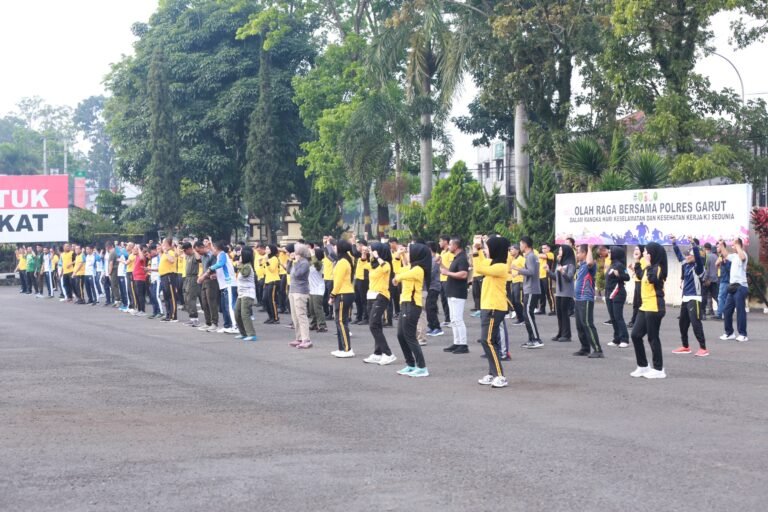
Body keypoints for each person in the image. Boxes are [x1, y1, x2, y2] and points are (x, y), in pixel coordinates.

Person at [474, 236, 511, 388]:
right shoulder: (493, 263)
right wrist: (479, 248)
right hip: (488, 306)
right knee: (491, 341)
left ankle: (500, 376)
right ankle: (492, 373)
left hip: (494, 307)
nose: (486, 251)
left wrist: (476, 252)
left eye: (488, 248)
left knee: (487, 340)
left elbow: (479, 268)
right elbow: (483, 263)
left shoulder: (501, 266)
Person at [630, 242, 668, 379]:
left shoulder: (657, 268)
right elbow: (640, 275)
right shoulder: (648, 267)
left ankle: (659, 369)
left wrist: (646, 263)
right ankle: (643, 366)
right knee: (635, 335)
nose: (643, 253)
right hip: (645, 306)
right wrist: (636, 262)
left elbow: (652, 279)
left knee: (653, 337)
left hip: (655, 307)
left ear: (651, 254)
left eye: (646, 251)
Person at [393, 242, 431, 377]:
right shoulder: (411, 267)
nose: (407, 253)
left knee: (409, 336)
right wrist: (398, 256)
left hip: (412, 305)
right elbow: (397, 271)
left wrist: (397, 278)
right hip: (405, 303)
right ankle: (410, 364)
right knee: (400, 335)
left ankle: (422, 367)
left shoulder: (418, 269)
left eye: (409, 251)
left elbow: (400, 276)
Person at [671, 237, 709, 356]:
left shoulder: (698, 268)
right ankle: (685, 346)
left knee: (695, 323)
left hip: (695, 299)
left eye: (689, 255)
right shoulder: (686, 265)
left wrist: (693, 244)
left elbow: (698, 256)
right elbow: (679, 255)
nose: (686, 256)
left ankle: (703, 348)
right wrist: (674, 243)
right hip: (686, 298)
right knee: (682, 323)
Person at [364, 242, 397, 365]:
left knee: (373, 325)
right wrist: (364, 253)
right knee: (376, 325)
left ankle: (388, 353)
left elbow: (387, 268)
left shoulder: (385, 264)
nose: (371, 252)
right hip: (371, 296)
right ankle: (378, 353)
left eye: (373, 250)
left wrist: (377, 256)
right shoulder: (373, 265)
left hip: (381, 296)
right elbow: (362, 264)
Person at [511, 236, 543, 349]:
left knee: (528, 314)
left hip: (531, 289)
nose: (520, 247)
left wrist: (517, 269)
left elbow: (531, 272)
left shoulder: (530, 256)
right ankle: (531, 338)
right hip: (530, 288)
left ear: (525, 244)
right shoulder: (531, 256)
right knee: (527, 314)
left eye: (520, 244)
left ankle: (535, 339)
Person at [573, 245, 604, 358]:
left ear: (585, 253)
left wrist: (590, 248)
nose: (577, 255)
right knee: (580, 325)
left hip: (586, 298)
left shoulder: (590, 264)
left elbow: (590, 262)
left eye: (579, 252)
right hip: (578, 299)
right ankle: (585, 348)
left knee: (587, 323)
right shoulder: (581, 265)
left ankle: (597, 350)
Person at [441, 237, 470, 354]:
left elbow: (463, 274)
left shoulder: (462, 258)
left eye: (450, 245)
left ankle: (463, 344)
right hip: (452, 291)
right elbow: (452, 271)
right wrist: (442, 265)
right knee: (453, 319)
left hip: (458, 292)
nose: (448, 247)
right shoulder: (457, 258)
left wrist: (447, 272)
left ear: (456, 246)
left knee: (458, 319)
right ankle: (457, 342)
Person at [330, 239, 356, 358]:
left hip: (342, 294)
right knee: (340, 321)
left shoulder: (342, 262)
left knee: (341, 321)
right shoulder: (345, 260)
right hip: (345, 293)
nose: (334, 248)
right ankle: (341, 348)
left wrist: (332, 295)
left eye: (335, 246)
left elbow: (338, 281)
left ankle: (347, 349)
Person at [719, 238, 749, 342]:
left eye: (734, 245)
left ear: (739, 245)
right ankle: (729, 333)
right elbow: (726, 255)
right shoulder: (734, 256)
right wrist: (721, 245)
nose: (733, 247)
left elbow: (743, 257)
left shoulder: (743, 254)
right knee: (727, 310)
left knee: (740, 311)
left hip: (741, 287)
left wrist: (738, 246)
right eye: (732, 246)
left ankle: (743, 334)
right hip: (732, 287)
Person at [207, 241, 238, 334]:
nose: (211, 250)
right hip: (224, 285)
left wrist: (210, 268)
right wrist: (215, 275)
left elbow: (221, 264)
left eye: (212, 248)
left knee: (229, 306)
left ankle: (235, 326)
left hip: (229, 284)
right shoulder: (219, 256)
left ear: (216, 248)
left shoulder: (222, 254)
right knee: (224, 307)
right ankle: (227, 325)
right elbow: (223, 269)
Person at [605, 247, 630, 348]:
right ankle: (617, 338)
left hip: (618, 293)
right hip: (609, 293)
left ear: (616, 253)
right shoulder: (611, 264)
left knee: (618, 317)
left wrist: (619, 275)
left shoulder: (619, 265)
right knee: (613, 318)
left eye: (611, 252)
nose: (609, 253)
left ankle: (625, 339)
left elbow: (627, 277)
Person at [288, 244, 312, 349]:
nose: (294, 254)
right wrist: (289, 261)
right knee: (295, 316)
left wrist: (296, 262)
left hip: (301, 291)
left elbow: (298, 274)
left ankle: (306, 339)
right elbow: (289, 271)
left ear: (300, 253)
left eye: (296, 252)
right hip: (292, 290)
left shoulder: (304, 263)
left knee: (301, 315)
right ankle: (299, 337)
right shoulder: (296, 262)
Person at [550, 244, 575, 342]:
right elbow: (556, 278)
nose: (559, 252)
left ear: (566, 252)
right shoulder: (560, 264)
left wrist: (562, 271)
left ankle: (567, 335)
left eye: (560, 250)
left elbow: (569, 278)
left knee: (564, 313)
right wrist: (548, 272)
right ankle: (560, 333)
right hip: (559, 292)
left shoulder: (570, 264)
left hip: (566, 292)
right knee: (559, 313)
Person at [234, 247, 258, 342]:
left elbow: (245, 273)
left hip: (248, 293)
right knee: (237, 313)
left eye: (241, 255)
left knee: (245, 314)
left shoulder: (247, 266)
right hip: (241, 293)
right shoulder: (244, 265)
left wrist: (239, 265)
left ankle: (251, 334)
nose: (239, 257)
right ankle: (243, 333)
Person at [197, 241, 220, 332]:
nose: (199, 253)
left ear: (203, 247)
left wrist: (203, 276)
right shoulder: (203, 256)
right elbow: (204, 268)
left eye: (199, 251)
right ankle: (208, 322)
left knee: (211, 302)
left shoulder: (211, 255)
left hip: (211, 281)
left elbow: (213, 269)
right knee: (204, 302)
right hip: (204, 280)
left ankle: (214, 323)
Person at [425, 241, 444, 336]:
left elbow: (430, 274)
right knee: (428, 307)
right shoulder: (430, 259)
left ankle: (437, 327)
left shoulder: (435, 259)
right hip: (430, 287)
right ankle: (432, 326)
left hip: (434, 287)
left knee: (430, 307)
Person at [308, 248, 328, 334]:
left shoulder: (319, 264)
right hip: (311, 289)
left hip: (318, 289)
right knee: (311, 308)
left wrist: (312, 253)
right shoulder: (310, 264)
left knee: (317, 308)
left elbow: (316, 263)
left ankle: (322, 325)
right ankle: (314, 323)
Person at [158, 239, 178, 322]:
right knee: (166, 296)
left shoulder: (170, 252)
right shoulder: (163, 254)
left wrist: (165, 252)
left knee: (171, 296)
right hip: (163, 276)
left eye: (163, 243)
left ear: (167, 244)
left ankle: (174, 316)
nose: (162, 245)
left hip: (169, 276)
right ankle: (168, 314)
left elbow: (172, 260)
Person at [182, 242, 202, 327]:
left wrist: (193, 249)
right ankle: (191, 318)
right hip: (187, 278)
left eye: (185, 250)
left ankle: (195, 319)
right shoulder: (188, 256)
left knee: (191, 298)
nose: (184, 252)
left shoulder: (194, 255)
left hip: (193, 278)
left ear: (189, 249)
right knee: (186, 298)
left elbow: (199, 259)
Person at [353, 239, 371, 325]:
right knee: (357, 299)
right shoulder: (359, 254)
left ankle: (366, 317)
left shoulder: (366, 253)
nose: (357, 248)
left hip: (364, 279)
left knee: (364, 299)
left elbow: (354, 253)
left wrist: (353, 243)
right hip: (358, 278)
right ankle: (358, 316)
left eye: (358, 245)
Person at [628, 246, 646, 328]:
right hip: (637, 283)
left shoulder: (642, 260)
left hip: (641, 284)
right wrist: (632, 269)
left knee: (639, 303)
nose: (635, 250)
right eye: (634, 249)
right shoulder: (638, 260)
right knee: (636, 304)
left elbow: (642, 275)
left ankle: (636, 322)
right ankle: (634, 321)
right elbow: (638, 273)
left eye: (637, 249)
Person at [507, 245, 526, 325]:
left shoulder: (522, 259)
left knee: (519, 301)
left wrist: (517, 271)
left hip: (520, 282)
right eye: (510, 249)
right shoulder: (514, 260)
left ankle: (525, 318)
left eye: (512, 249)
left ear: (517, 250)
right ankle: (520, 318)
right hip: (514, 281)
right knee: (514, 301)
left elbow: (526, 270)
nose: (510, 250)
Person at [262, 245, 281, 324]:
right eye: (266, 248)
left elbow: (272, 269)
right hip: (267, 281)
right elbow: (264, 271)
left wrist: (267, 262)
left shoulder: (274, 259)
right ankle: (270, 316)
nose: (266, 250)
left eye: (268, 249)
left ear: (272, 250)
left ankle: (275, 317)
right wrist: (263, 263)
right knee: (265, 299)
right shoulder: (268, 259)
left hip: (273, 281)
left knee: (272, 300)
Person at [701, 243, 719, 320]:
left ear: (705, 248)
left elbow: (706, 269)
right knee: (716, 296)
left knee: (704, 297)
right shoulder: (716, 256)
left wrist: (705, 279)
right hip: (714, 279)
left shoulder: (707, 257)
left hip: (707, 280)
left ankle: (703, 314)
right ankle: (722, 311)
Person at [714, 241, 731, 320]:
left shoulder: (725, 256)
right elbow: (716, 264)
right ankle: (723, 313)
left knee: (721, 297)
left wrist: (721, 262)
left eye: (718, 247)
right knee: (723, 297)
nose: (717, 248)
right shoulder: (721, 256)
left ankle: (720, 313)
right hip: (722, 279)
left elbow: (717, 263)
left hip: (725, 280)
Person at [438, 235, 453, 325]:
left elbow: (451, 268)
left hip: (448, 279)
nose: (439, 243)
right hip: (441, 278)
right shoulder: (443, 252)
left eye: (440, 241)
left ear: (446, 242)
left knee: (449, 300)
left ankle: (451, 319)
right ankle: (447, 319)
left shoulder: (450, 253)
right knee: (443, 300)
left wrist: (441, 265)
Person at [537, 244, 556, 315]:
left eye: (545, 248)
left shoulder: (550, 254)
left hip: (547, 276)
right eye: (542, 248)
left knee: (549, 293)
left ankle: (553, 309)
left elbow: (543, 256)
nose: (543, 250)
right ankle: (542, 309)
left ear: (549, 248)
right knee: (541, 294)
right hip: (540, 276)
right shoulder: (540, 255)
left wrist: (535, 254)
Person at [131, 244, 148, 317]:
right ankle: (139, 309)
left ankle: (142, 310)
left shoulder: (141, 256)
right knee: (137, 295)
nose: (133, 250)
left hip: (140, 278)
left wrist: (138, 248)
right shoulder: (136, 257)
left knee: (141, 295)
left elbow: (142, 258)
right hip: (136, 278)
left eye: (135, 249)